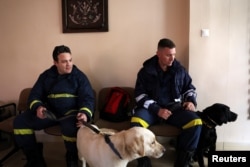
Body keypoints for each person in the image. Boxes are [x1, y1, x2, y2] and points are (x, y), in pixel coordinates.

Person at [13, 45, 95, 167]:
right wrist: (38, 107)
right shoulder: (46, 76)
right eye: (64, 61)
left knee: (71, 128)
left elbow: (88, 98)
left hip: (70, 114)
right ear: (55, 62)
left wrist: (84, 113)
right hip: (49, 113)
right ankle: (34, 159)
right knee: (20, 122)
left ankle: (71, 158)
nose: (69, 64)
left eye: (70, 60)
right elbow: (34, 95)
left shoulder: (79, 76)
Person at [130, 38, 202, 167]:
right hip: (151, 110)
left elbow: (189, 88)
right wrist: (157, 110)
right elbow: (139, 96)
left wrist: (191, 101)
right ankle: (144, 162)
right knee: (136, 122)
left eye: (174, 54)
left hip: (174, 109)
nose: (172, 58)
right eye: (168, 55)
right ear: (158, 53)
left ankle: (182, 161)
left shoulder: (180, 70)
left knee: (196, 122)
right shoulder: (145, 72)